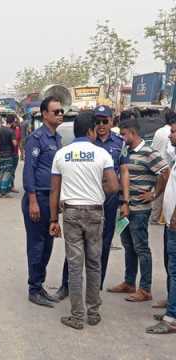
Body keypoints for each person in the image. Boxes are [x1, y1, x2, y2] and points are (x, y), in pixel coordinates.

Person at [49, 111, 119, 330]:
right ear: (90, 130)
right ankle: (94, 312)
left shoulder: (61, 154)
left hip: (70, 213)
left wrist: (53, 219)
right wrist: (99, 192)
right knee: (94, 263)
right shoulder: (102, 154)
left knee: (75, 265)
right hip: (95, 212)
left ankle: (77, 316)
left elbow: (54, 190)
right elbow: (114, 186)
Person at [57, 105, 129, 300]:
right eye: (97, 122)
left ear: (112, 122)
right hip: (83, 201)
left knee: (102, 247)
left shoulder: (119, 143)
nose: (101, 125)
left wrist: (125, 201)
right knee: (74, 247)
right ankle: (66, 286)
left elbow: (123, 172)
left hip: (108, 201)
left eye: (105, 121)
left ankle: (95, 289)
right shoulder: (86, 143)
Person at [108, 118, 170, 302]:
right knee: (129, 246)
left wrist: (154, 194)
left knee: (141, 248)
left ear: (133, 133)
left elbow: (165, 172)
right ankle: (129, 282)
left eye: (124, 134)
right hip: (126, 207)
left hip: (140, 209)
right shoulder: (126, 151)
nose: (121, 137)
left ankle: (145, 288)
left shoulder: (148, 152)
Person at [22, 96, 64, 307]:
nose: (60, 114)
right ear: (45, 114)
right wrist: (32, 200)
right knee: (37, 245)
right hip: (38, 197)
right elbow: (29, 170)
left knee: (48, 244)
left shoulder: (56, 139)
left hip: (52, 199)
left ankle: (40, 284)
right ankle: (34, 288)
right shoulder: (36, 139)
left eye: (61, 111)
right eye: (55, 111)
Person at [147, 120, 176, 334]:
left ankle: (172, 318)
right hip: (169, 223)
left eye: (174, 132)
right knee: (170, 266)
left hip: (175, 223)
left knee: (174, 269)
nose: (170, 135)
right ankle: (172, 308)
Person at [151, 112, 176, 224]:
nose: (170, 135)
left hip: (156, 166)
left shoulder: (159, 131)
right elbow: (170, 152)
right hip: (167, 166)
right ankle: (159, 217)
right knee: (163, 193)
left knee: (160, 193)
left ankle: (155, 217)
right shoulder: (168, 133)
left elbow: (153, 148)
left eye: (173, 132)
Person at [0, 116, 18, 198]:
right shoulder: (11, 132)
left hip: (1, 154)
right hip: (8, 155)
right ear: (12, 122)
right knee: (7, 173)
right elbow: (14, 143)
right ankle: (3, 192)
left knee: (0, 172)